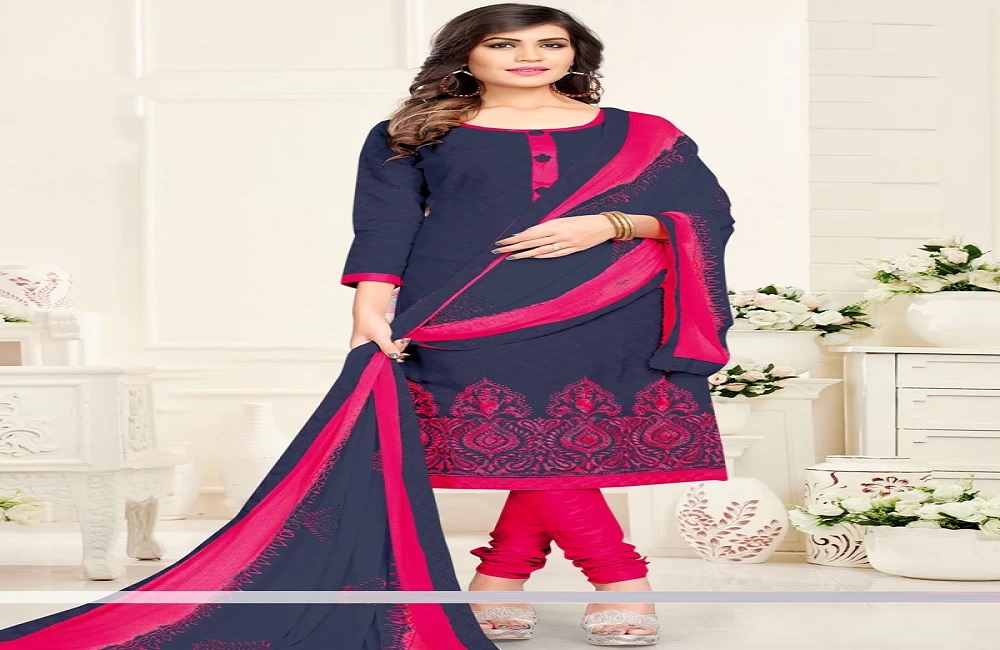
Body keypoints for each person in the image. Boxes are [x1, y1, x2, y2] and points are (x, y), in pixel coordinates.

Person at [0, 4, 733, 649]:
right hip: (458, 308)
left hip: (607, 310)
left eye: (550, 43)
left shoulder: (646, 134)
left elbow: (706, 215)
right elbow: (385, 225)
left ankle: (502, 580)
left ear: (577, 55)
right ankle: (619, 580)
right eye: (505, 44)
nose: (530, 56)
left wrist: (609, 224)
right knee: (528, 445)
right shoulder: (413, 133)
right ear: (466, 55)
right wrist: (368, 307)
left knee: (556, 447)